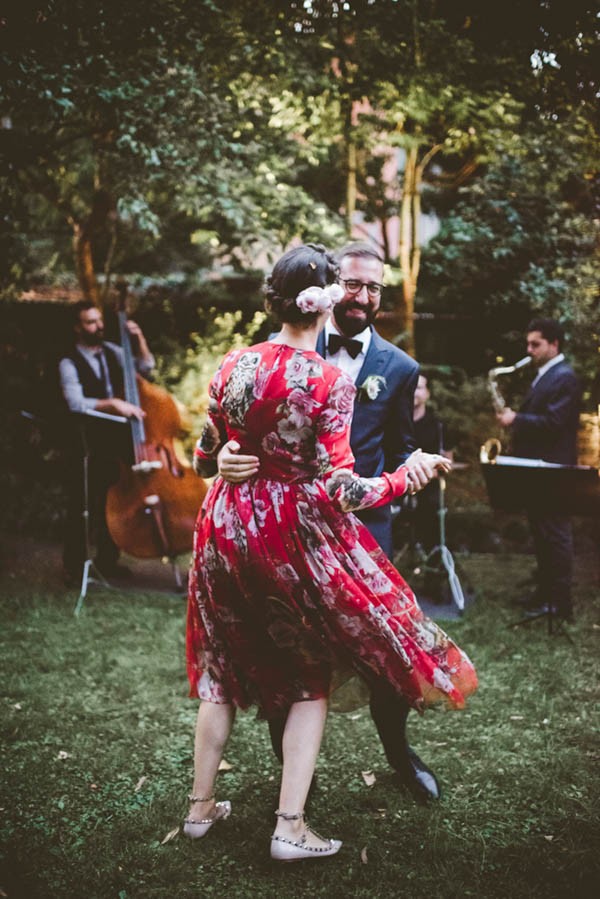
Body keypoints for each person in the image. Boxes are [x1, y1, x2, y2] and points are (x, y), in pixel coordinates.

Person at [185, 244, 477, 861]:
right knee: (308, 677)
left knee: (221, 669)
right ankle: (290, 826)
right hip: (296, 538)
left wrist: (226, 462)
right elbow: (344, 490)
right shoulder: (329, 380)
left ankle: (200, 810)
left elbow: (201, 456)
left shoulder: (235, 360)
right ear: (324, 299)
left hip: (225, 529)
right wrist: (409, 476)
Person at [218, 244, 444, 802]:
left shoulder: (400, 367)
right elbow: (239, 427)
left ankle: (398, 751)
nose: (364, 297)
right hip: (289, 533)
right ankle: (297, 775)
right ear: (331, 288)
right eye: (355, 285)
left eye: (375, 289)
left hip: (368, 530)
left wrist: (409, 470)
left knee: (385, 653)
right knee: (286, 649)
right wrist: (223, 457)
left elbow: (401, 449)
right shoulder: (289, 342)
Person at [58, 300, 154, 585]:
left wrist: (139, 339)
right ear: (78, 327)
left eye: (99, 320)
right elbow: (76, 402)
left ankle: (107, 563)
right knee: (83, 504)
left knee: (116, 501)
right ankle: (74, 568)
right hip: (88, 443)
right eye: (90, 322)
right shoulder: (68, 361)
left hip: (118, 443)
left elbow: (146, 368)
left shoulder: (113, 351)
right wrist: (113, 404)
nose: (98, 326)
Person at [496, 317, 581, 622]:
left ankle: (559, 604)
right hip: (538, 468)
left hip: (553, 470)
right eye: (528, 343)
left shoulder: (565, 376)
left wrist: (515, 419)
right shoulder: (548, 374)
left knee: (555, 536)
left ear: (554, 344)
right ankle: (545, 594)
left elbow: (555, 423)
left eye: (536, 344)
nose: (529, 349)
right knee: (542, 534)